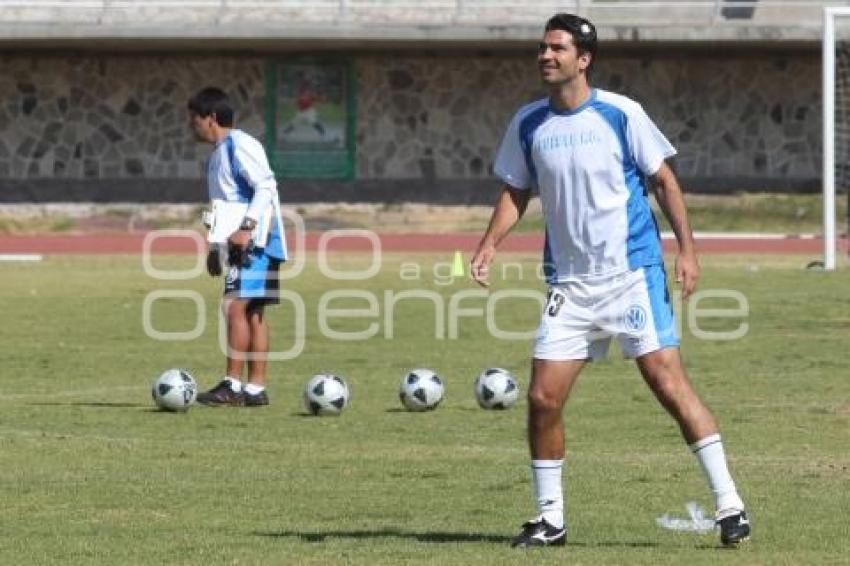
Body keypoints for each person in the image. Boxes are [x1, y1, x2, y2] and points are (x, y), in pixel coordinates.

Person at [470, 13, 750, 548]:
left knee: (667, 383)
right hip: (570, 286)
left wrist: (687, 251)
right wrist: (488, 244)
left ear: (584, 58)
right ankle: (551, 520)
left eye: (557, 48)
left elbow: (664, 182)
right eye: (543, 47)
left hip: (631, 274)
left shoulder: (621, 114)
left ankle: (730, 505)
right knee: (542, 398)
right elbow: (515, 190)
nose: (545, 56)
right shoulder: (528, 122)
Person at [188, 87, 287, 407]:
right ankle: (255, 390)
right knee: (252, 312)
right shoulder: (219, 154)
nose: (192, 125)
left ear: (212, 117)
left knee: (236, 307)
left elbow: (266, 186)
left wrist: (247, 229)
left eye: (195, 118)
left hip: (255, 243)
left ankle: (232, 385)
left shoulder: (240, 145)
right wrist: (215, 248)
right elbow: (226, 206)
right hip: (241, 244)